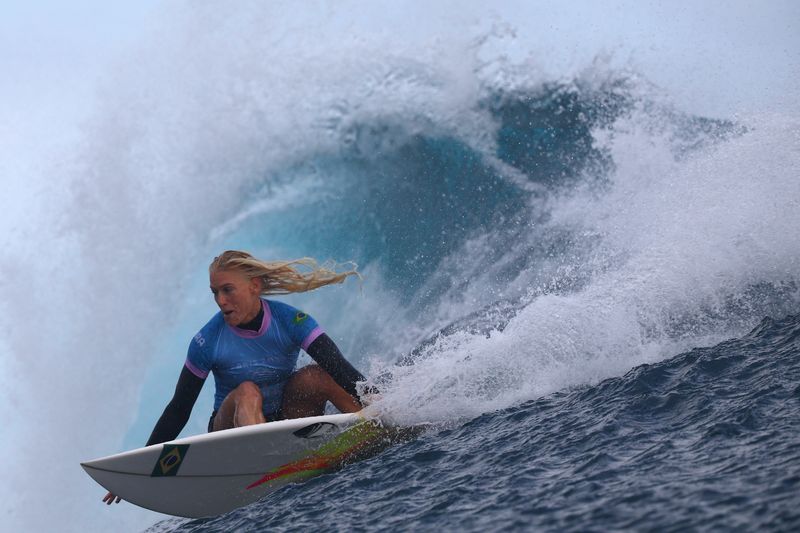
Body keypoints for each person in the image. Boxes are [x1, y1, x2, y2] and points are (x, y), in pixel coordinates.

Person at [103, 250, 366, 505]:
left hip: (285, 422)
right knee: (247, 391)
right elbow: (179, 409)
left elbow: (339, 367)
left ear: (254, 286)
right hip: (231, 429)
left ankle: (370, 428)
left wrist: (381, 400)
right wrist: (138, 467)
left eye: (227, 290)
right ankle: (264, 467)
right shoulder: (207, 341)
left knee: (317, 375)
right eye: (215, 292)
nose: (220, 300)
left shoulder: (290, 320)